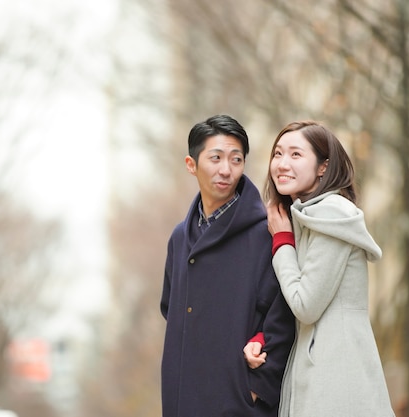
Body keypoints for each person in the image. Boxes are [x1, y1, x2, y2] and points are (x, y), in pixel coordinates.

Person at [243, 120, 395, 416]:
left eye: (296, 155)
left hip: (337, 369)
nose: (282, 164)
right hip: (314, 365)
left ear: (323, 167)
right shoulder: (302, 217)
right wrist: (263, 339)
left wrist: (283, 242)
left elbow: (306, 304)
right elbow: (291, 298)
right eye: (277, 154)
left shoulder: (331, 215)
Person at [160, 114, 295, 417]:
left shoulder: (265, 232)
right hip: (184, 400)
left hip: (239, 404)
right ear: (191, 165)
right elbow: (171, 309)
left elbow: (284, 315)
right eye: (216, 158)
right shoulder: (180, 238)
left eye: (236, 159)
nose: (226, 170)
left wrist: (255, 388)